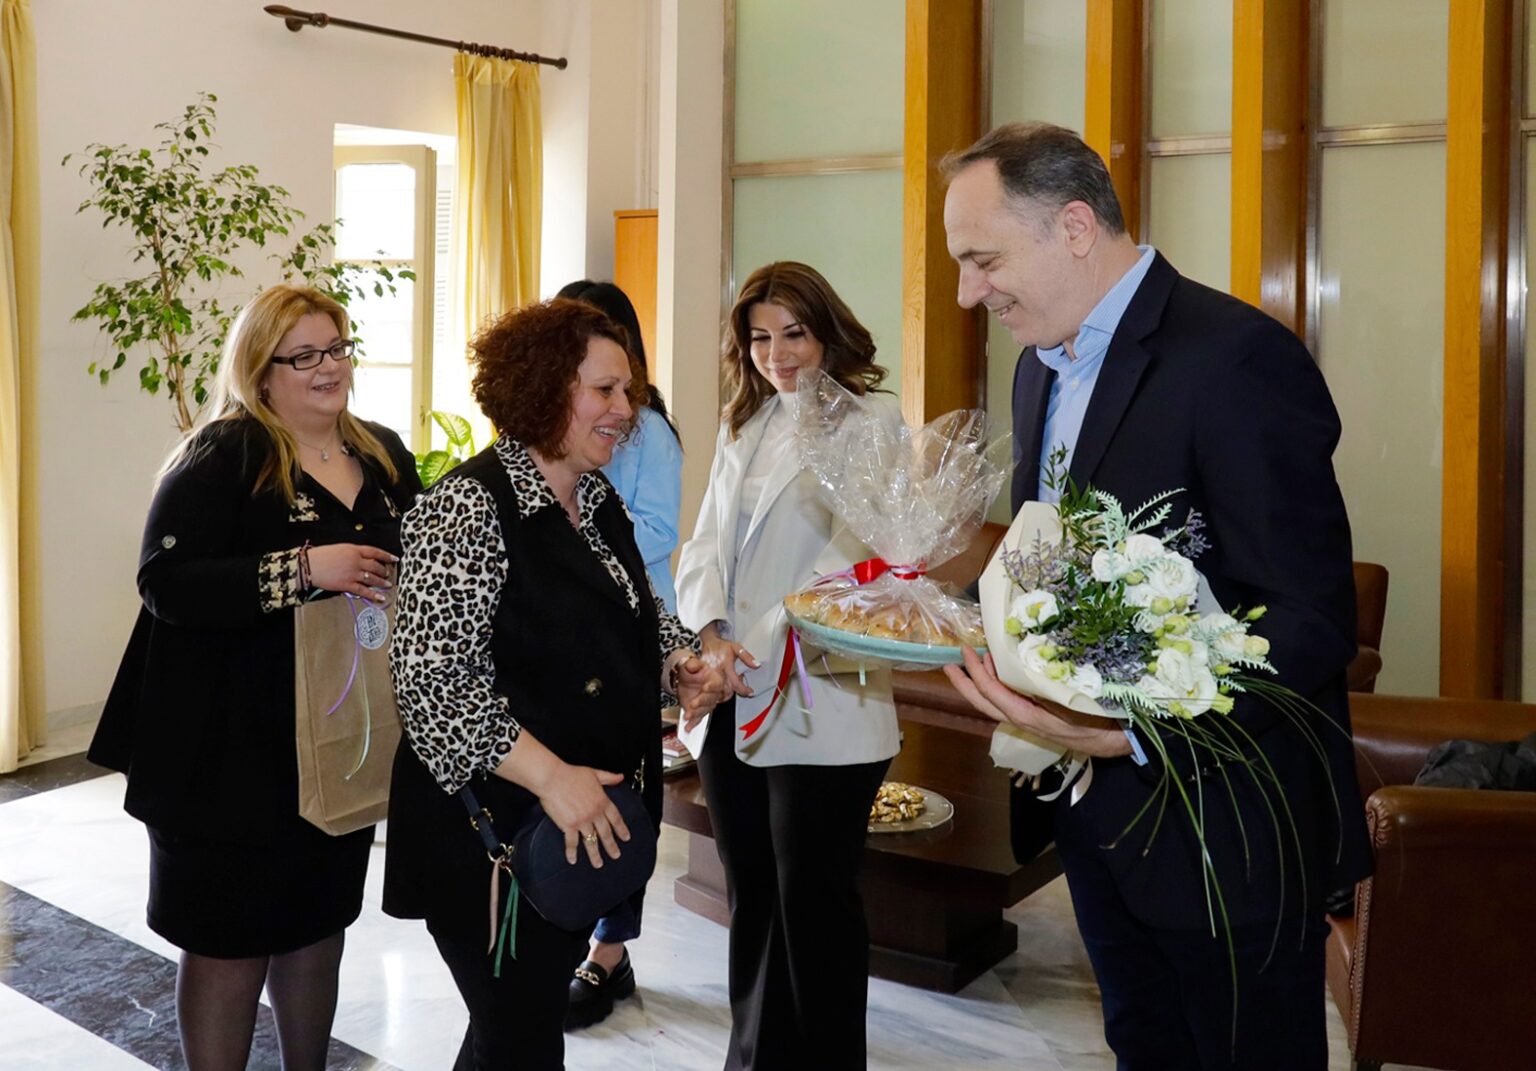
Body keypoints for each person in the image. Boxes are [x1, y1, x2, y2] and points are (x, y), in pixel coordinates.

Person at [939, 122, 1372, 1070]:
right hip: (1097, 822)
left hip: (1229, 834)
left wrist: (1139, 735)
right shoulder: (1036, 369)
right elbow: (1050, 563)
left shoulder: (1236, 359)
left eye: (983, 260)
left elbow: (1307, 618)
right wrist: (947, 607)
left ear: (1075, 227)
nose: (969, 292)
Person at [381, 298, 727, 1070]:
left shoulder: (594, 498)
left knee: (512, 1033)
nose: (626, 409)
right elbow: (432, 686)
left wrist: (680, 661)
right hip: (490, 843)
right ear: (542, 389)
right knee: (521, 1038)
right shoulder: (466, 508)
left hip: (569, 838)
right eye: (604, 390)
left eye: (628, 390)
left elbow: (632, 614)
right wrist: (553, 777)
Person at [88, 285, 421, 1070]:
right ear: (260, 370)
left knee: (317, 926)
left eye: (336, 348)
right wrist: (304, 568)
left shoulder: (381, 453)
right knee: (227, 943)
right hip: (223, 753)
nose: (328, 367)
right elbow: (165, 581)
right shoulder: (222, 456)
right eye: (303, 356)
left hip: (334, 746)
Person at [675, 260, 902, 1070]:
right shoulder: (746, 421)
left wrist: (749, 650)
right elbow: (705, 542)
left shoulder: (873, 423)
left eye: (794, 333)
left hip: (821, 698)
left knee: (816, 910)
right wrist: (711, 637)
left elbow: (855, 566)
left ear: (827, 333)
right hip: (733, 692)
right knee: (753, 899)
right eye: (760, 337)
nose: (777, 354)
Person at [553, 279, 684, 1028]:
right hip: (571, 639)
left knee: (628, 797)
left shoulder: (648, 430)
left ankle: (609, 951)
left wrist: (581, 521)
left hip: (634, 630)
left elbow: (660, 530)